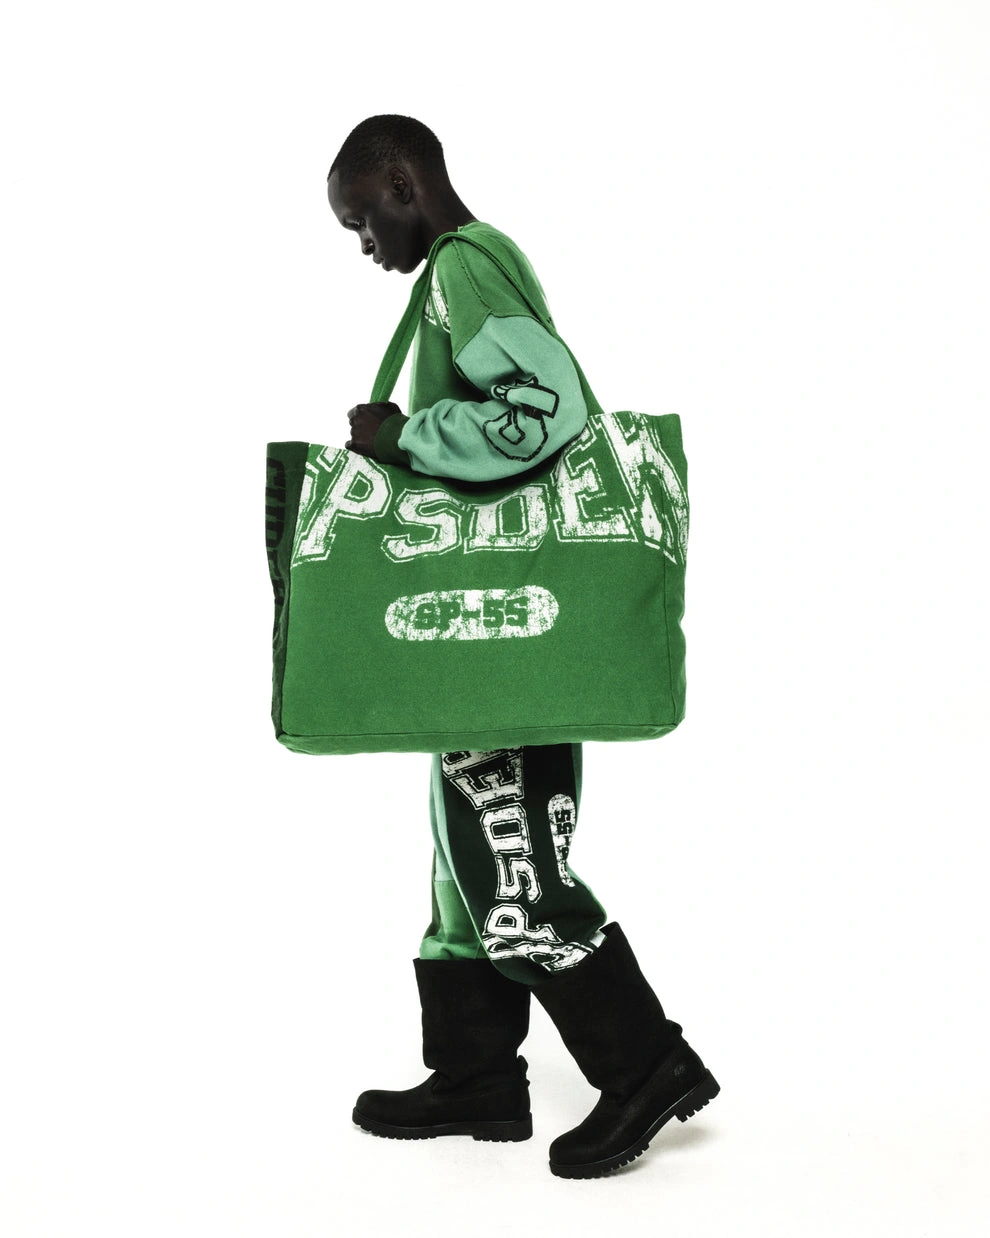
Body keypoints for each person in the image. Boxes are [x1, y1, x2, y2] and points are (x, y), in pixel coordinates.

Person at [326, 114, 718, 1179]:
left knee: (513, 865)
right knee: (467, 861)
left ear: (402, 182)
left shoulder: (464, 265)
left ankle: (646, 1064)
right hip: (490, 634)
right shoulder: (462, 269)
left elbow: (543, 410)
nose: (365, 244)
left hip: (508, 628)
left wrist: (405, 436)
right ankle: (476, 1075)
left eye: (362, 220)